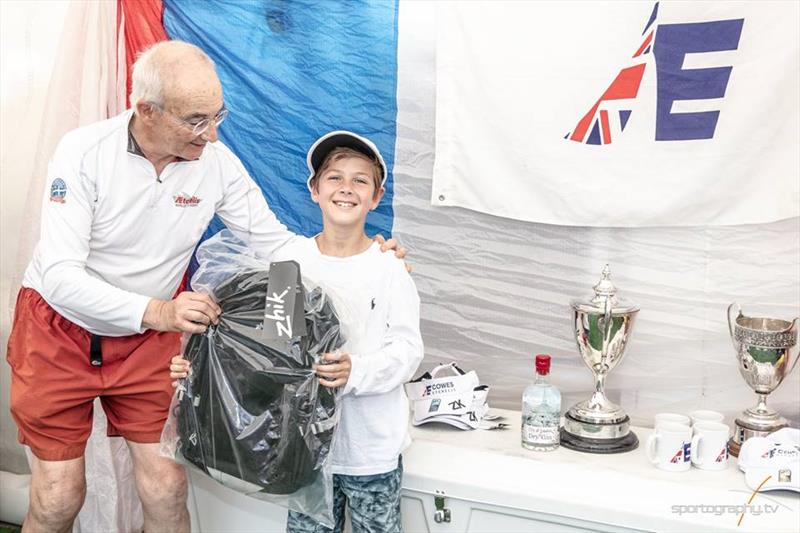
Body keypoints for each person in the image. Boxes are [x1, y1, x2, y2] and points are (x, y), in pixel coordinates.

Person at [6, 41, 403, 533]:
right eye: (196, 120)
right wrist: (163, 312)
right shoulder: (83, 152)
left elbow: (274, 245)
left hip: (146, 343)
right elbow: (63, 277)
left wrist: (361, 259)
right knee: (60, 497)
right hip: (59, 331)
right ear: (146, 110)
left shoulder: (216, 163)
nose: (212, 134)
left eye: (218, 115)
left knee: (167, 487)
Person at [170, 131, 424, 533]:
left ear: (376, 197)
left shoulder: (389, 268)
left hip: (369, 451)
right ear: (314, 190)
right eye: (334, 178)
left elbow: (408, 350)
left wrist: (354, 371)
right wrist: (198, 365)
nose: (346, 188)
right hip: (301, 452)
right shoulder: (290, 264)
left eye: (360, 180)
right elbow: (270, 353)